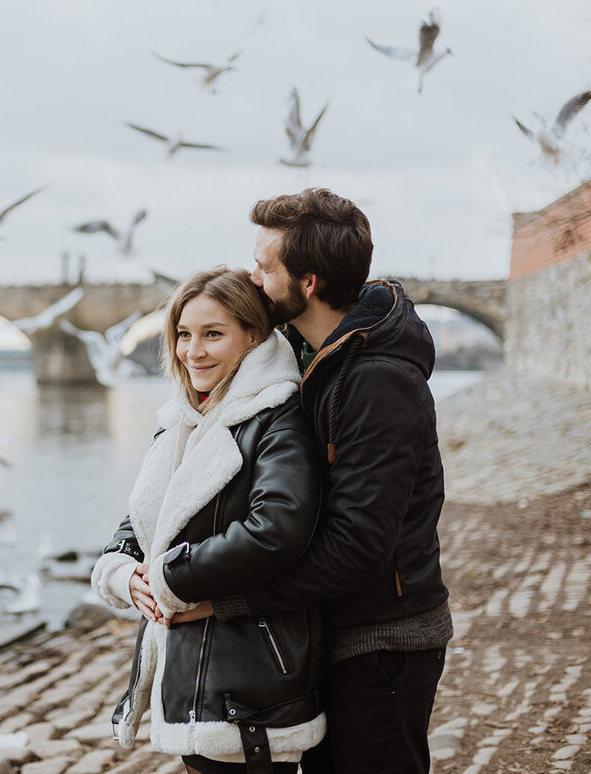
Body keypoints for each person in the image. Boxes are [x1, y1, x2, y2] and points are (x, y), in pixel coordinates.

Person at [173, 187, 451, 774]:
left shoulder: (377, 382)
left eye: (265, 266)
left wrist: (231, 601)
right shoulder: (311, 357)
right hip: (332, 628)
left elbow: (359, 548)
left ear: (309, 283)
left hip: (383, 640)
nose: (252, 277)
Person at [91, 267, 326, 774]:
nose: (191, 351)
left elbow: (277, 528)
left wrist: (168, 578)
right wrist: (123, 571)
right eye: (182, 334)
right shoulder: (182, 418)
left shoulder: (277, 417)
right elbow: (149, 517)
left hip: (249, 676)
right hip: (195, 672)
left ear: (255, 337)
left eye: (212, 334)